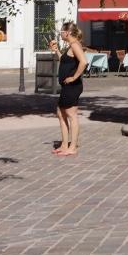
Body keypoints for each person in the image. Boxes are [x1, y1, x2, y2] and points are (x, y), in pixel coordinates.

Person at [49, 21, 88, 157]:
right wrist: (56, 51)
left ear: (68, 32)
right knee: (60, 113)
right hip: (66, 86)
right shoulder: (70, 46)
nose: (60, 34)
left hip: (72, 86)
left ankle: (72, 147)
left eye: (62, 32)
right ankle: (64, 145)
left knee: (71, 115)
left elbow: (84, 62)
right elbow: (65, 62)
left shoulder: (75, 44)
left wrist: (74, 77)